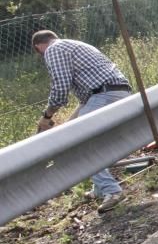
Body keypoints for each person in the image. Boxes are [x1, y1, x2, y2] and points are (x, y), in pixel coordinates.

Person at [32, 30, 131, 213]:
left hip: (103, 96)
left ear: (39, 46)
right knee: (88, 140)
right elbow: (87, 97)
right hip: (118, 92)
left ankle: (112, 191)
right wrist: (69, 124)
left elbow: (60, 87)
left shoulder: (53, 50)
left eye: (40, 53)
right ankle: (100, 188)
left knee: (80, 143)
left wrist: (47, 116)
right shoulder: (74, 44)